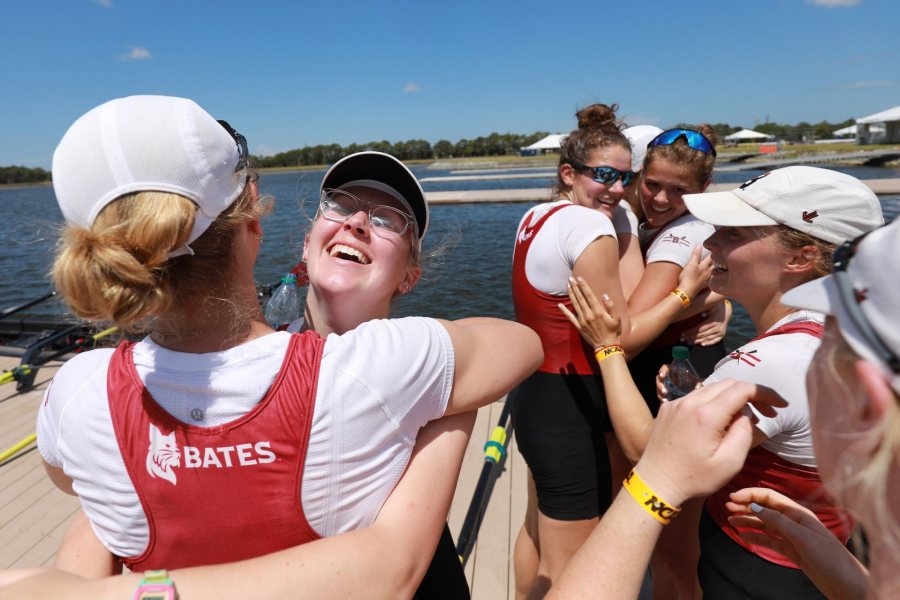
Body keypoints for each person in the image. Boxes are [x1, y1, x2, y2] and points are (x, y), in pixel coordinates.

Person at [34, 95, 542, 592]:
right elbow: (520, 342)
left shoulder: (78, 393)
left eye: (389, 220)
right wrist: (447, 398)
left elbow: (81, 491)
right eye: (340, 205)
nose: (358, 220)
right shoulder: (395, 366)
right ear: (260, 223)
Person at [563, 165, 884, 598]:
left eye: (733, 234)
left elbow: (648, 449)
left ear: (800, 258)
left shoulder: (771, 362)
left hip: (753, 569)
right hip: (817, 559)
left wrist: (607, 348)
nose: (710, 243)